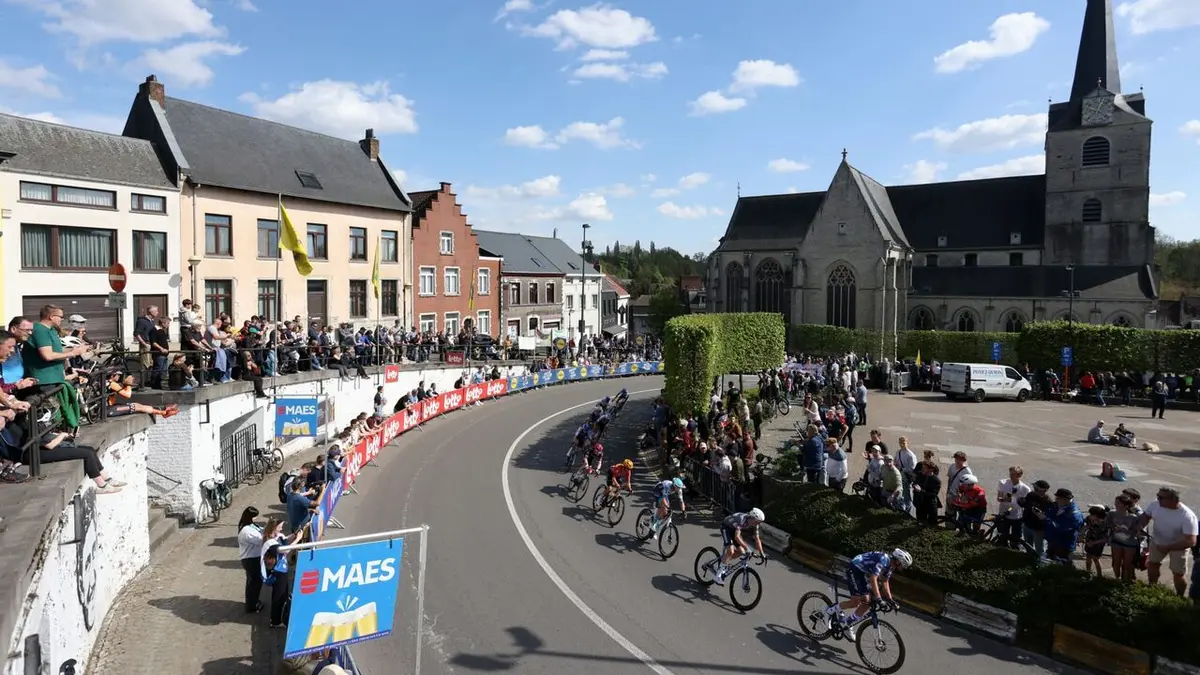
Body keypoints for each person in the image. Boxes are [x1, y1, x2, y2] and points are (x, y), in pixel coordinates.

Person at [826, 549, 911, 628]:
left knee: (867, 602)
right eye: (903, 565)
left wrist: (890, 599)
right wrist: (879, 598)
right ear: (898, 561)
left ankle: (848, 623)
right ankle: (829, 611)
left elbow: (885, 581)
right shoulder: (883, 560)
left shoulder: (891, 565)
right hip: (855, 569)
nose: (903, 568)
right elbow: (873, 579)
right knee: (855, 602)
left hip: (863, 572)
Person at [715, 508, 765, 585]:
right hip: (726, 527)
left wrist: (762, 553)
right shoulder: (741, 519)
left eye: (759, 522)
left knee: (742, 552)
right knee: (731, 551)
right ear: (752, 517)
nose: (758, 524)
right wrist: (747, 548)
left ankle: (724, 562)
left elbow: (757, 539)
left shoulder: (755, 524)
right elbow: (737, 537)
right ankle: (718, 575)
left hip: (734, 530)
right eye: (757, 521)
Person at [236, 507, 265, 613]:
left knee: (253, 582)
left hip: (252, 558)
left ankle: (252, 602)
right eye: (255, 516)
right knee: (254, 583)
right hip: (251, 559)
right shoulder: (247, 531)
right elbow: (260, 541)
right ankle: (252, 605)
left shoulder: (249, 526)